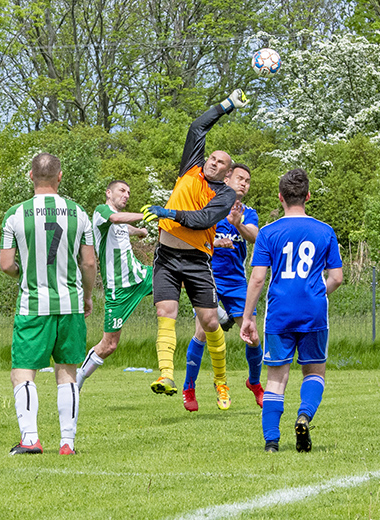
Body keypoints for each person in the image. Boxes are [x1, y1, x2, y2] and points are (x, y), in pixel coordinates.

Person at [142, 89, 248, 410]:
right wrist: (227, 105)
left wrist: (168, 213)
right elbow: (197, 128)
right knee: (165, 313)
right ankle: (165, 375)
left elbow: (204, 220)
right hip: (167, 257)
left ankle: (221, 383)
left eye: (220, 162)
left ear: (227, 173)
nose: (213, 163)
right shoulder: (191, 167)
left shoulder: (225, 195)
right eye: (212, 158)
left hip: (197, 261)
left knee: (211, 323)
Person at [240, 168, 343, 453]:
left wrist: (247, 317)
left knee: (275, 379)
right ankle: (304, 415)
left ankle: (272, 442)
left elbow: (258, 278)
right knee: (314, 371)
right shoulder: (325, 231)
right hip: (314, 312)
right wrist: (319, 291)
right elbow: (336, 278)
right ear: (307, 196)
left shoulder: (268, 233)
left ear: (280, 197)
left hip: (279, 313)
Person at [0, 152, 96, 455]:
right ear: (60, 176)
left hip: (33, 305)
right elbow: (89, 263)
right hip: (70, 303)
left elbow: (5, 265)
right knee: (67, 372)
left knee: (23, 371)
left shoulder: (16, 214)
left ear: (30, 176)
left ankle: (30, 439)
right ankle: (67, 443)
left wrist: (22, 272)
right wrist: (88, 296)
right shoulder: (79, 212)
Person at [182, 163, 264, 412]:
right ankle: (189, 387)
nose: (244, 183)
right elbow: (193, 235)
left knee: (252, 336)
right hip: (208, 277)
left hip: (237, 281)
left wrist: (237, 223)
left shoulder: (248, 212)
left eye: (248, 181)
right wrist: (216, 241)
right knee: (203, 333)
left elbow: (255, 236)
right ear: (227, 178)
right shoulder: (211, 204)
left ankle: (255, 383)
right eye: (240, 178)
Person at [76, 180, 152, 390]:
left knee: (177, 277)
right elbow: (116, 219)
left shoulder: (118, 224)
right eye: (122, 190)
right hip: (118, 289)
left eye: (129, 192)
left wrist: (139, 231)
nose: (126, 194)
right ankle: (77, 380)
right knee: (109, 345)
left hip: (140, 276)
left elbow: (123, 227)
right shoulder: (102, 212)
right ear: (108, 192)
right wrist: (149, 213)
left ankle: (217, 316)